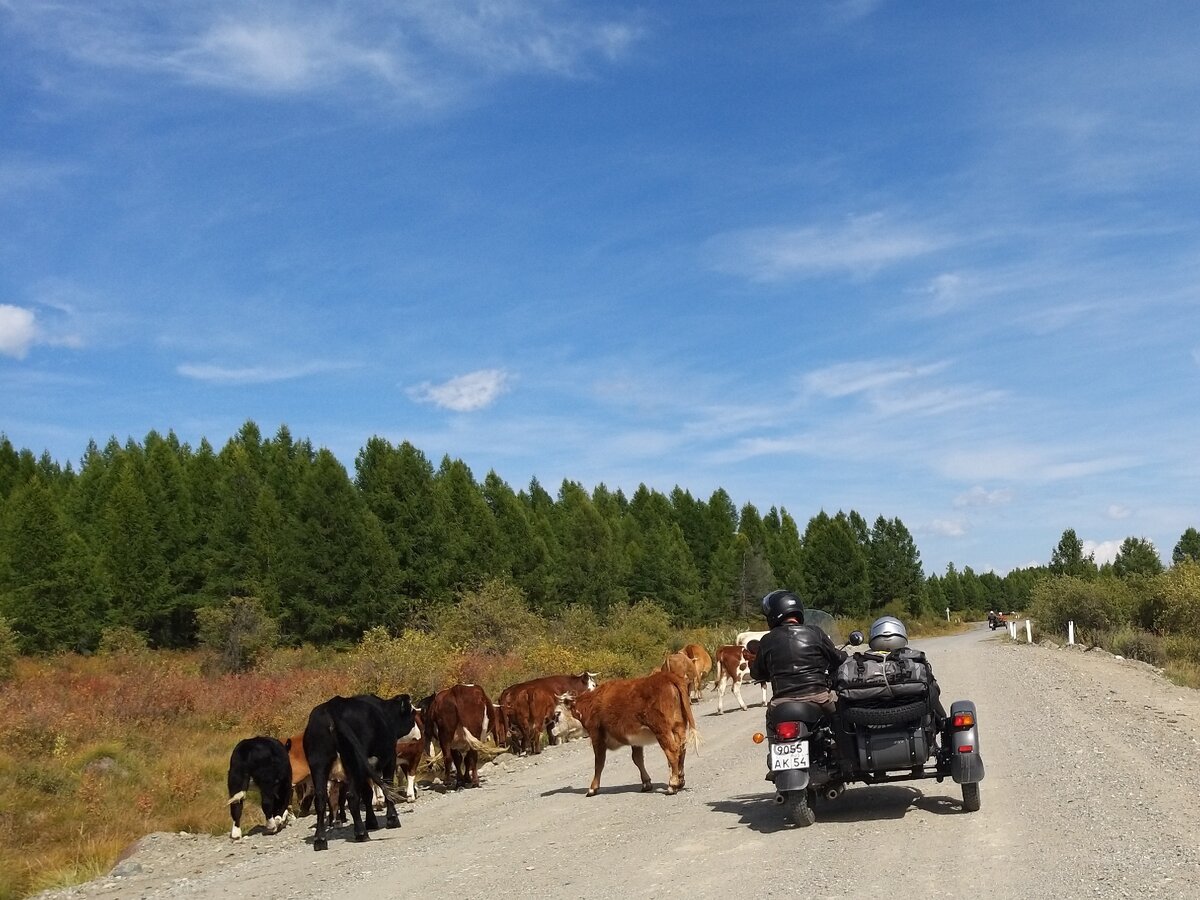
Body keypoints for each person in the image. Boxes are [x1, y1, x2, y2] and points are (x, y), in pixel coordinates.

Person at [748, 589, 846, 714]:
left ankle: (773, 734)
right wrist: (844, 656)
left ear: (773, 614)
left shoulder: (767, 640)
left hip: (782, 703)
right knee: (840, 716)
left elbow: (756, 673)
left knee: (771, 718)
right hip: (818, 698)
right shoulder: (815, 632)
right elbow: (838, 658)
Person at [868, 614, 947, 723]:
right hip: (918, 722)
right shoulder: (914, 657)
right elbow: (934, 689)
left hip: (868, 719)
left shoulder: (865, 661)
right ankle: (941, 720)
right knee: (932, 691)